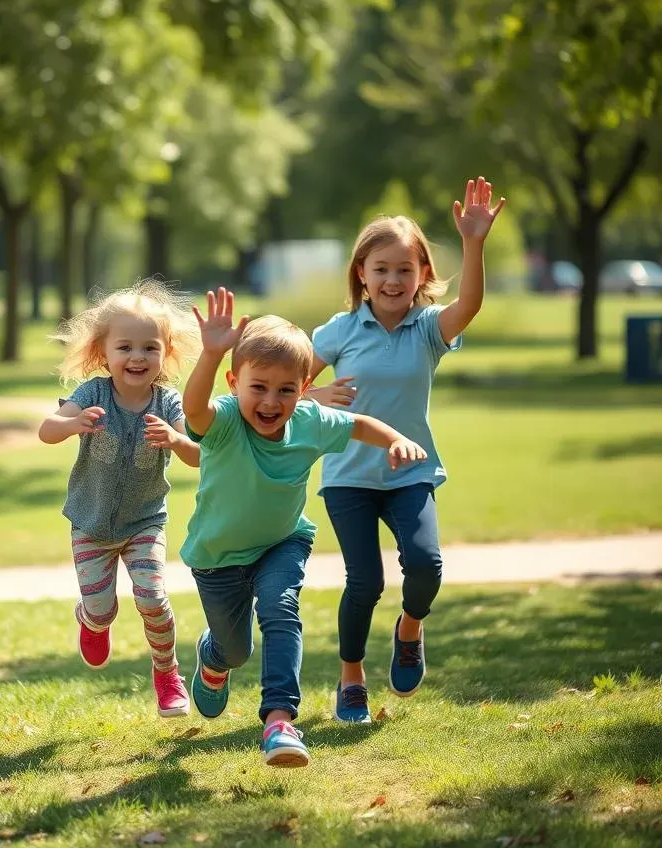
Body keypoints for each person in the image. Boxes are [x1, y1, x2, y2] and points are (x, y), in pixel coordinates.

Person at [180, 287, 428, 767]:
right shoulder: (226, 420)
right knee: (235, 649)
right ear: (234, 383)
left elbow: (357, 424)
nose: (272, 401)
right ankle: (214, 658)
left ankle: (279, 721)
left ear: (304, 387)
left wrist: (397, 439)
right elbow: (194, 411)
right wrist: (210, 353)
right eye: (259, 387)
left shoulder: (311, 419)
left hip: (282, 542)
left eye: (286, 389)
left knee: (281, 608)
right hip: (218, 558)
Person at [310, 176, 506, 724]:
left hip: (410, 470)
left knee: (425, 564)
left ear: (422, 274)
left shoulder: (426, 329)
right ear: (361, 276)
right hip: (348, 476)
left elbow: (468, 304)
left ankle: (410, 627)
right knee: (364, 581)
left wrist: (474, 242)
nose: (393, 279)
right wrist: (315, 392)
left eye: (404, 269)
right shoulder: (340, 331)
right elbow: (276, 382)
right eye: (381, 269)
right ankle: (351, 679)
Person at [38, 279, 202, 718]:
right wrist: (72, 425)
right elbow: (47, 430)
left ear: (165, 353)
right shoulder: (92, 394)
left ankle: (167, 674)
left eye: (150, 347)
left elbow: (198, 457)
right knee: (102, 606)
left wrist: (175, 439)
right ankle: (92, 620)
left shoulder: (169, 404)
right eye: (125, 347)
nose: (137, 357)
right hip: (90, 524)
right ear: (103, 353)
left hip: (145, 522)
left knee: (152, 597)